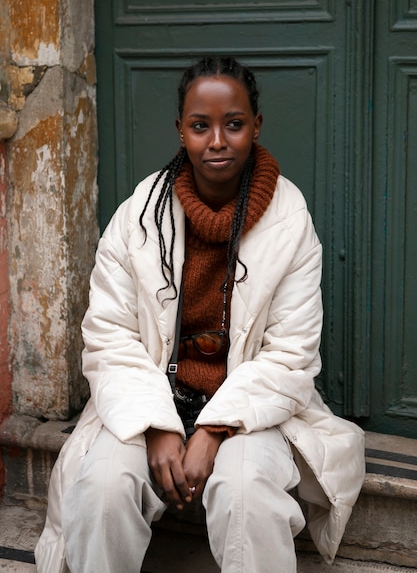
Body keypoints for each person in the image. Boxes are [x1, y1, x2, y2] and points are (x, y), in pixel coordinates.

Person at [35, 56, 365, 573]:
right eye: (200, 126)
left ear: (256, 127)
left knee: (246, 490)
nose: (217, 140)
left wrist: (212, 429)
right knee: (102, 488)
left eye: (234, 124)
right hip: (146, 399)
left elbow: (291, 355)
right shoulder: (138, 218)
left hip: (247, 412)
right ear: (180, 131)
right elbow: (108, 338)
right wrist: (158, 425)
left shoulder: (290, 223)